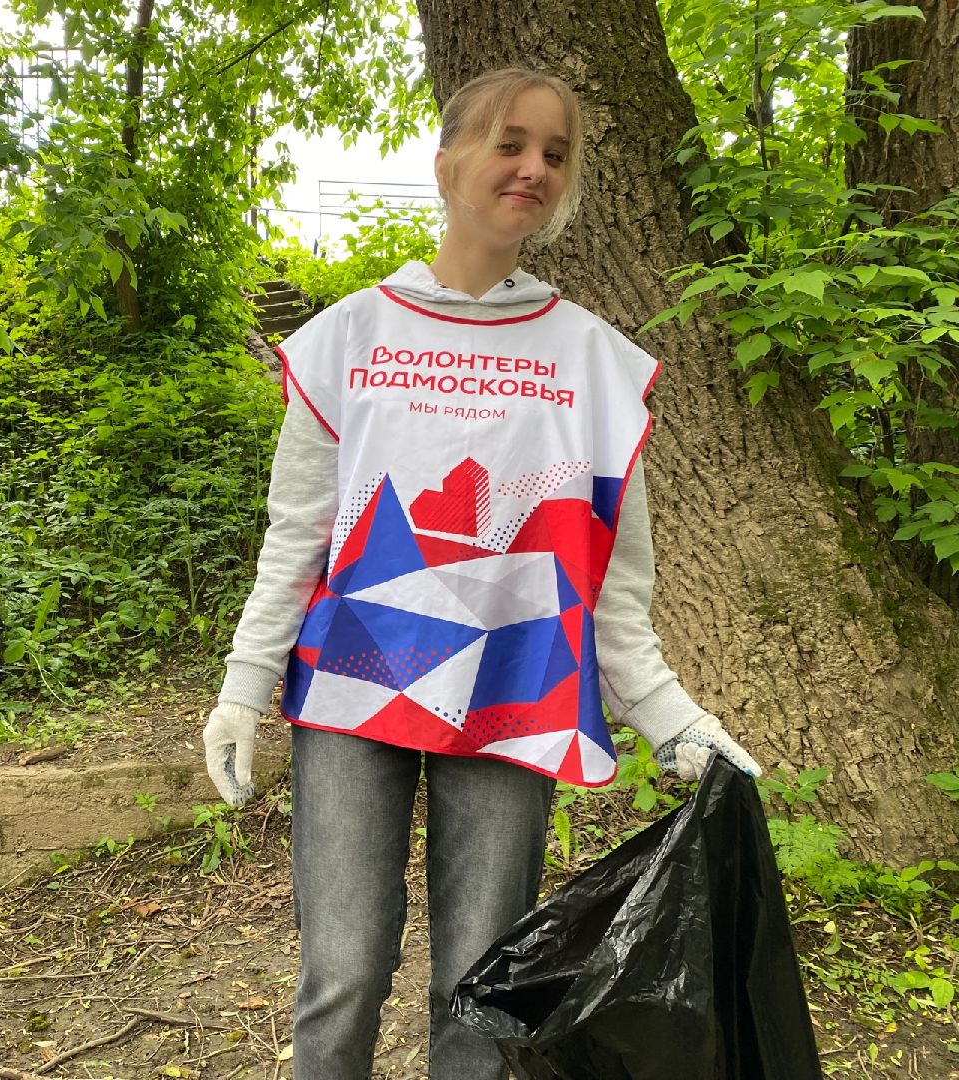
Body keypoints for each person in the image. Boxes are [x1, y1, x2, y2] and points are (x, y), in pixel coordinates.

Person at [203, 68, 762, 1079]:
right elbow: (297, 536)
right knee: (341, 974)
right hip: (352, 685)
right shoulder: (347, 340)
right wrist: (245, 684)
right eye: (510, 143)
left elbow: (612, 587)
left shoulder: (593, 362)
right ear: (448, 159)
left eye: (554, 152)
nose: (533, 168)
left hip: (515, 695)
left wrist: (673, 720)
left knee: (480, 982)